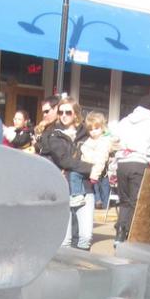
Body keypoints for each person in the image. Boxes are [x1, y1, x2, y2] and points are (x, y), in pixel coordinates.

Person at [110, 95, 150, 242]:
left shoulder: (124, 121)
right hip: (139, 164)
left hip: (122, 164)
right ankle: (132, 234)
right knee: (137, 201)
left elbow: (114, 140)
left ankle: (120, 232)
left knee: (124, 200)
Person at [36, 99, 92, 250]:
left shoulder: (88, 134)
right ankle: (67, 269)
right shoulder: (54, 135)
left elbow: (100, 155)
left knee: (85, 237)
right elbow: (64, 160)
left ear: (76, 114)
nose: (64, 115)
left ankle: (82, 269)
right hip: (64, 186)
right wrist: (91, 168)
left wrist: (100, 168)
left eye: (68, 112)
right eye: (61, 112)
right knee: (65, 238)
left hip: (85, 187)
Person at [79, 111, 114, 218]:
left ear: (102, 127)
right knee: (96, 188)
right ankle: (98, 201)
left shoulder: (103, 141)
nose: (93, 132)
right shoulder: (89, 141)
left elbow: (100, 159)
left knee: (103, 187)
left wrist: (94, 174)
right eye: (91, 129)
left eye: (96, 128)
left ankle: (102, 203)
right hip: (89, 170)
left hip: (99, 171)